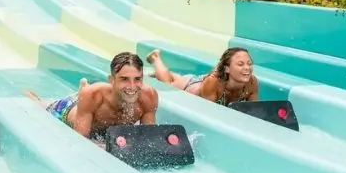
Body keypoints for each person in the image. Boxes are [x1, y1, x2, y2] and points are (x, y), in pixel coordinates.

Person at [26, 52, 159, 140]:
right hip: (67, 110)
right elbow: (81, 141)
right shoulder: (95, 96)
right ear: (111, 80)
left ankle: (83, 89)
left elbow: (149, 139)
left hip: (91, 105)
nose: (132, 86)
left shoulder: (148, 96)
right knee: (40, 106)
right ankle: (32, 96)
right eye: (124, 79)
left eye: (137, 79)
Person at [145, 47, 258, 106]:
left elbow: (254, 112)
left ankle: (172, 75)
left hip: (204, 81)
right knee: (167, 83)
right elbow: (210, 114)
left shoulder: (252, 82)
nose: (247, 68)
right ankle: (155, 58)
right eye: (240, 64)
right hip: (190, 86)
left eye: (249, 63)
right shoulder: (213, 83)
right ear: (227, 68)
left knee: (177, 79)